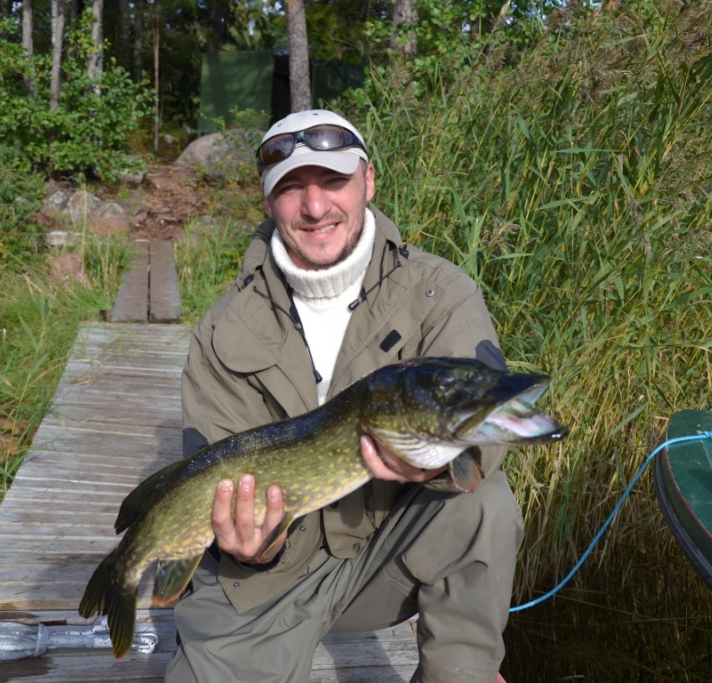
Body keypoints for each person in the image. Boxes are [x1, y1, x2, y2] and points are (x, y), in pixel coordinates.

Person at [169, 109, 520, 683]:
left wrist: (438, 463)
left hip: (384, 558)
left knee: (483, 501)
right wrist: (250, 546)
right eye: (291, 188)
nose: (315, 207)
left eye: (333, 181)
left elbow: (489, 421)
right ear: (267, 201)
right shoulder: (221, 329)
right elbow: (214, 468)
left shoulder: (440, 293)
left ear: (368, 181)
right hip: (264, 578)